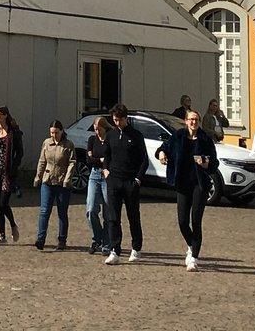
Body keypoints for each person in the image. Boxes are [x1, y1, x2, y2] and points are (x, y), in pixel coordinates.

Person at [157, 106, 218, 271]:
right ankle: (191, 245)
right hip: (183, 184)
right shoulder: (178, 136)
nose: (193, 122)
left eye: (196, 120)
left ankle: (194, 258)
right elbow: (163, 148)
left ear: (199, 122)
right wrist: (162, 154)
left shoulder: (205, 139)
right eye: (191, 119)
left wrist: (206, 164)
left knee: (196, 220)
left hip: (199, 185)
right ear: (186, 121)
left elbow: (214, 163)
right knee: (182, 221)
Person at [101, 103, 149, 264]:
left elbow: (144, 160)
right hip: (113, 180)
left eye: (120, 120)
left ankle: (136, 248)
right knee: (113, 217)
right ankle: (115, 250)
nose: (117, 123)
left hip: (130, 182)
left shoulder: (136, 136)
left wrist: (137, 179)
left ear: (126, 118)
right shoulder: (111, 135)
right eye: (115, 120)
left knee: (133, 216)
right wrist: (106, 171)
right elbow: (106, 155)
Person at [0, 106, 24, 245]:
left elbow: (20, 151)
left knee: (3, 203)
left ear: (5, 115)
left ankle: (13, 224)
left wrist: (15, 166)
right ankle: (2, 236)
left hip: (8, 173)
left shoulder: (13, 132)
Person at [32, 121, 73, 250]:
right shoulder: (46, 143)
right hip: (48, 181)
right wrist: (38, 177)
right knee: (44, 211)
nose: (53, 135)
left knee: (62, 212)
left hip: (62, 183)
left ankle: (62, 239)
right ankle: (41, 238)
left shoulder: (68, 145)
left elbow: (72, 163)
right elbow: (42, 161)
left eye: (56, 132)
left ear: (61, 131)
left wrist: (67, 179)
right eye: (51, 133)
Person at [82, 115, 113, 255]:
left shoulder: (110, 140)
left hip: (107, 175)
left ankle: (107, 243)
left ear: (104, 128)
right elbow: (89, 159)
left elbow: (110, 158)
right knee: (90, 209)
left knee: (108, 211)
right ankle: (97, 237)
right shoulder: (92, 140)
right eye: (95, 129)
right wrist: (99, 159)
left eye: (99, 129)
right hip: (94, 175)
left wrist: (100, 160)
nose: (97, 132)